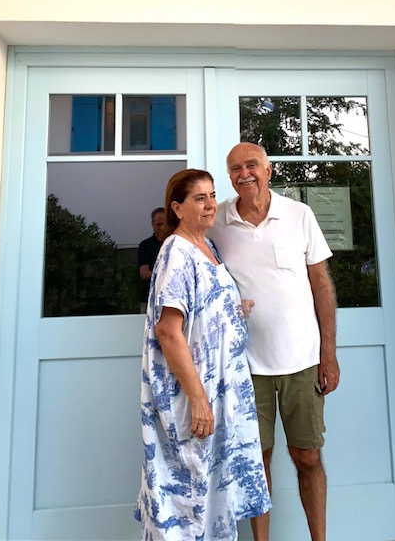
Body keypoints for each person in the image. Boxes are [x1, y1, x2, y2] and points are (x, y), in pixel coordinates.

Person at [209, 143, 340, 541]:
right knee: (257, 459)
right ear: (229, 177)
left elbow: (321, 285)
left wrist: (328, 354)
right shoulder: (218, 222)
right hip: (246, 366)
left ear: (269, 170)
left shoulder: (299, 214)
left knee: (308, 456)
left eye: (252, 165)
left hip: (303, 360)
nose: (244, 173)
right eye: (235, 168)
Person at [134, 168, 272, 541]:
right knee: (189, 500)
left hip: (223, 392)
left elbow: (202, 309)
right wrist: (198, 400)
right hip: (195, 394)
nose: (211, 204)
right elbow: (168, 331)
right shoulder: (177, 252)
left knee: (214, 495)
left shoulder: (207, 246)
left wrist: (233, 309)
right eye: (200, 198)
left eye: (212, 195)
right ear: (177, 208)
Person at [137, 207, 165, 313]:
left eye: (164, 224)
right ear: (152, 224)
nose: (162, 228)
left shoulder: (175, 244)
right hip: (149, 299)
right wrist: (165, 275)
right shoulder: (145, 245)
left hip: (171, 299)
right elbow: (144, 273)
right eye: (158, 225)